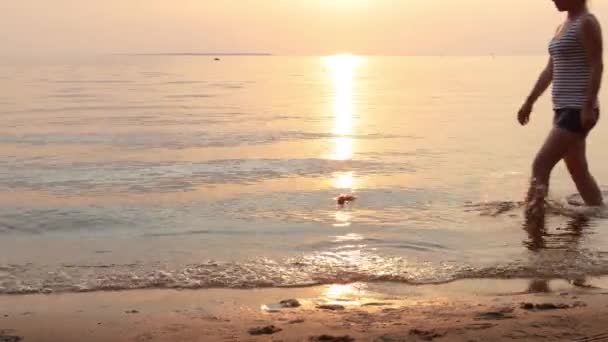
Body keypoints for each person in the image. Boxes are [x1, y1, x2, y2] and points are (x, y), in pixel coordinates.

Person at [518, 0, 604, 216]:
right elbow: (550, 70)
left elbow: (597, 64)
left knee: (541, 164)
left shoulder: (587, 23)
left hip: (577, 109)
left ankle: (533, 223)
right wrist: (529, 101)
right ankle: (598, 212)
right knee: (578, 171)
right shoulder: (563, 27)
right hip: (562, 109)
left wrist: (588, 105)